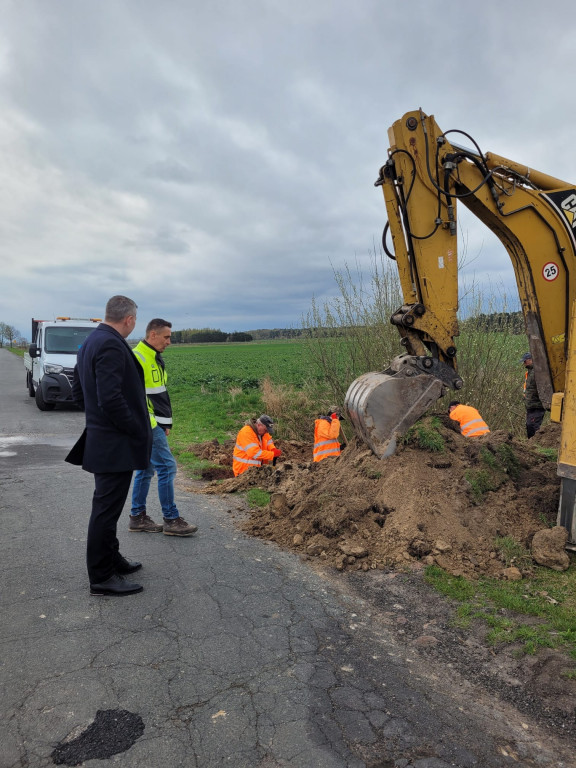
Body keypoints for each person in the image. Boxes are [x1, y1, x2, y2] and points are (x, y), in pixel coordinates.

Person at [66, 296, 152, 597]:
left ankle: (112, 558)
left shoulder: (91, 341)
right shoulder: (111, 344)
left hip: (105, 439)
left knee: (109, 508)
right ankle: (101, 577)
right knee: (105, 510)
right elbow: (111, 398)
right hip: (114, 444)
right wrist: (135, 428)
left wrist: (96, 418)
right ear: (129, 319)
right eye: (134, 321)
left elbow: (78, 390)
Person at [128, 319, 197, 536]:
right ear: (153, 335)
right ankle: (171, 519)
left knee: (146, 468)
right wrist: (153, 424)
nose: (169, 342)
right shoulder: (137, 357)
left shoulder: (154, 357)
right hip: (147, 423)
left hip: (153, 422)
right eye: (166, 337)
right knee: (167, 467)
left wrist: (164, 423)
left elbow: (158, 395)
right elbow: (134, 397)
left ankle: (137, 517)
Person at [520, 352, 545, 438]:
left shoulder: (538, 372)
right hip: (530, 405)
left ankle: (536, 443)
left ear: (531, 360)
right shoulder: (529, 372)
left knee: (533, 426)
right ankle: (531, 442)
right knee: (529, 425)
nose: (524, 363)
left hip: (537, 405)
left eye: (525, 361)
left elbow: (542, 387)